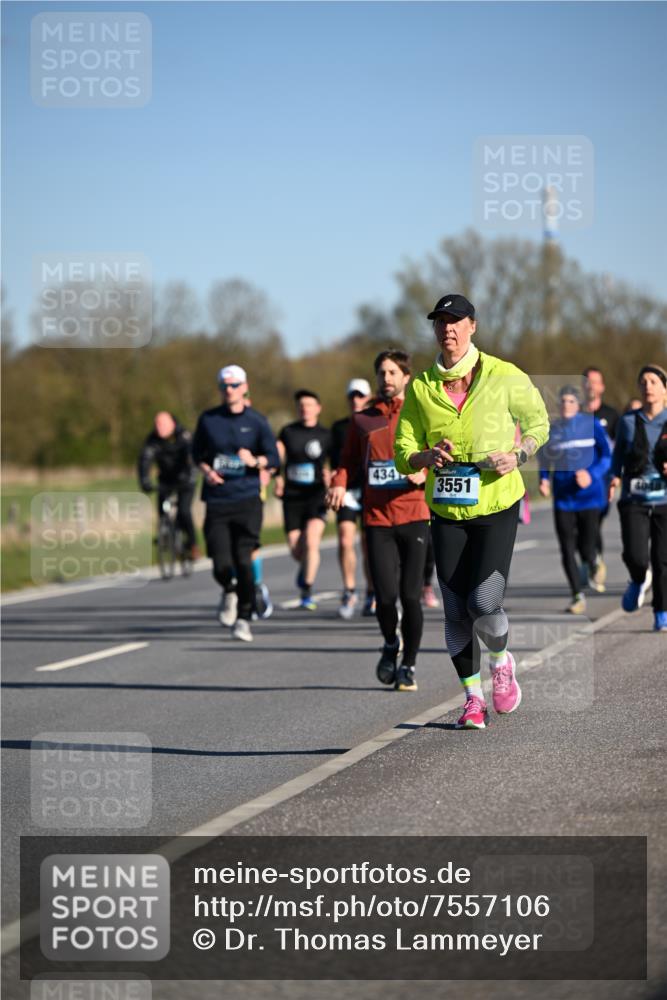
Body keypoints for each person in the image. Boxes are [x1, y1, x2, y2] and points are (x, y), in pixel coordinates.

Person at [394, 293, 549, 728]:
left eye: (456, 320)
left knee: (484, 600)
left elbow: (539, 423)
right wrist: (424, 457)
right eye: (440, 321)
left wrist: (518, 454)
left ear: (472, 326)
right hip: (446, 507)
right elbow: (403, 449)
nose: (448, 328)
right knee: (456, 608)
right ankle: (472, 699)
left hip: (497, 501)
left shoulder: (504, 375)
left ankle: (501, 661)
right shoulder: (422, 386)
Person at [327, 349, 430, 692]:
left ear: (406, 377)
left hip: (414, 513)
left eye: (391, 373)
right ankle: (390, 643)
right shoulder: (363, 420)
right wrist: (339, 484)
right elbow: (348, 462)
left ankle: (409, 665)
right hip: (377, 517)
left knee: (410, 596)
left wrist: (426, 472)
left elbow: (445, 452)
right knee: (385, 598)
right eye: (381, 373)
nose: (385, 379)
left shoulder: (422, 414)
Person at [192, 365, 280, 642]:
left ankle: (243, 618)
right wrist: (207, 470)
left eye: (233, 385)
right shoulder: (208, 420)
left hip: (247, 499)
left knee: (243, 560)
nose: (228, 390)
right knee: (220, 563)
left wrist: (255, 461)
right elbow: (197, 454)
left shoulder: (256, 421)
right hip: (217, 500)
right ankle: (229, 590)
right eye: (224, 386)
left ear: (244, 387)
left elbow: (273, 459)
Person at [538, 386, 611, 614]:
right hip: (563, 499)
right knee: (567, 548)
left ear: (578, 404)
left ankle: (594, 561)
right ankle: (576, 595)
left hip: (589, 498)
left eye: (571, 401)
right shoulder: (553, 429)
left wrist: (592, 474)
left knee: (586, 547)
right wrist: (544, 480)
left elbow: (607, 456)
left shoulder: (592, 425)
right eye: (563, 402)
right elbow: (544, 459)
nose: (566, 405)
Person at [609, 364, 667, 632]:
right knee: (637, 557)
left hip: (664, 500)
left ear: (664, 389)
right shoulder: (628, 422)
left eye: (654, 381)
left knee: (662, 559)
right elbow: (618, 455)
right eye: (643, 382)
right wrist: (614, 477)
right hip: (634, 499)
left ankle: (662, 611)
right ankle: (636, 579)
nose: (648, 386)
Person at [275, 390, 332, 610]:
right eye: (301, 405)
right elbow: (277, 457)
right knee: (296, 550)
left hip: (316, 495)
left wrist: (331, 477)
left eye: (309, 405)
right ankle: (305, 570)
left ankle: (307, 590)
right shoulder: (288, 432)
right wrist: (277, 478)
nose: (304, 409)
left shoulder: (325, 435)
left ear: (318, 408)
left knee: (312, 541)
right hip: (292, 497)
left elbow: (335, 461)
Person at [330, 378, 375, 619]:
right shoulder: (339, 427)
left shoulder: (375, 423)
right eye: (352, 396)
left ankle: (371, 592)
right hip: (347, 491)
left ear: (368, 398)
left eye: (360, 395)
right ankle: (349, 590)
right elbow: (332, 460)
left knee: (369, 546)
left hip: (371, 490)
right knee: (345, 540)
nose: (356, 400)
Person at [138, 411, 199, 559]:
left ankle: (193, 544)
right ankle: (165, 534)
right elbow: (145, 460)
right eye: (157, 424)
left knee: (184, 511)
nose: (160, 428)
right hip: (165, 480)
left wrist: (190, 474)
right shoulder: (152, 440)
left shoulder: (184, 436)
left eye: (163, 424)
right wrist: (145, 481)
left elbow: (193, 455)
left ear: (172, 424)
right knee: (162, 511)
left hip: (186, 479)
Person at [582, 366, 620, 579]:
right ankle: (590, 560)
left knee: (594, 521)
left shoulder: (611, 415)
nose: (591, 385)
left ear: (602, 387)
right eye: (587, 381)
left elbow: (621, 447)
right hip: (577, 480)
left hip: (602, 480)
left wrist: (617, 474)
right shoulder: (575, 413)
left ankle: (594, 558)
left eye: (595, 381)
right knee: (582, 523)